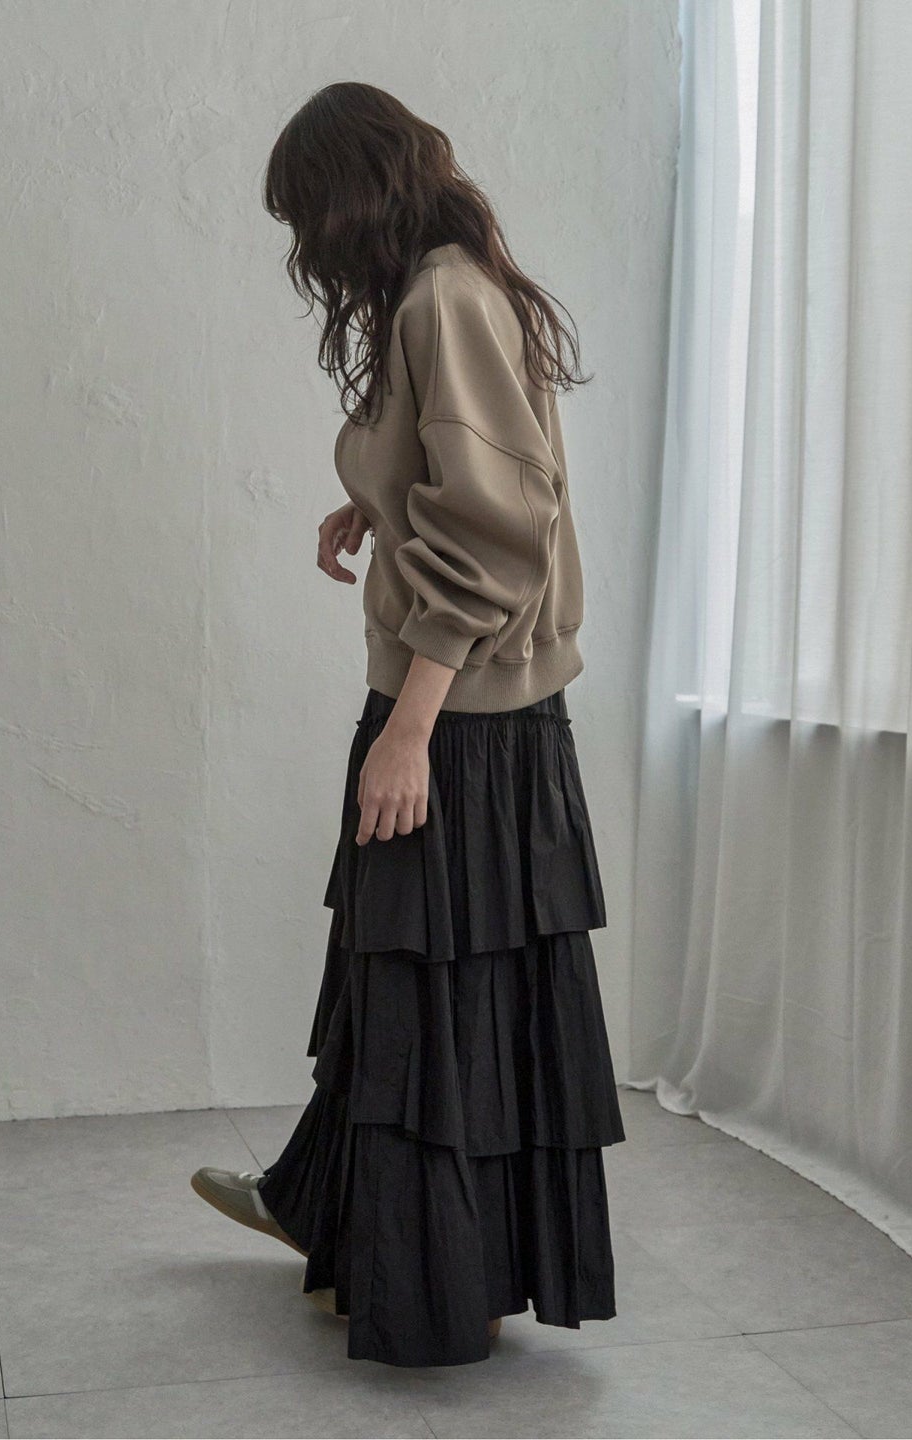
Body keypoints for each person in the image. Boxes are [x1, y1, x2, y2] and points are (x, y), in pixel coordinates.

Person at [190, 80, 625, 1369]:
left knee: (436, 1007)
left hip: (464, 722)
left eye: (306, 216)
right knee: (413, 998)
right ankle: (333, 1206)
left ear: (353, 197)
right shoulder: (448, 286)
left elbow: (497, 536)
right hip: (477, 714)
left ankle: (445, 1276)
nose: (304, 246)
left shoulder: (442, 297)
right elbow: (477, 484)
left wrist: (408, 730)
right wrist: (376, 509)